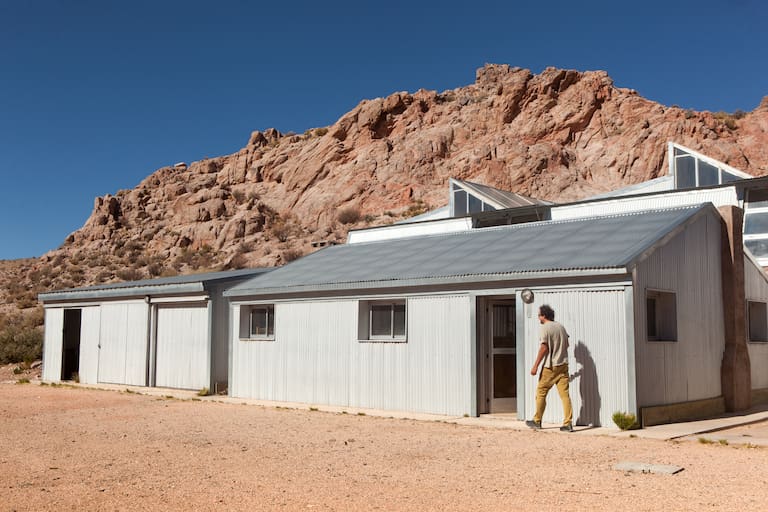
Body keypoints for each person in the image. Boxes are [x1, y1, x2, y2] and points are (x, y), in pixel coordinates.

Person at [525, 304, 574, 432]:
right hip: (563, 365)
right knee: (565, 395)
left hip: (550, 366)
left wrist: (535, 366)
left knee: (541, 392)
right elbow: (567, 345)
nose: (538, 318)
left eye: (539, 315)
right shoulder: (561, 327)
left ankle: (537, 421)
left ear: (544, 316)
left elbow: (544, 347)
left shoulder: (545, 328)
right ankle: (568, 423)